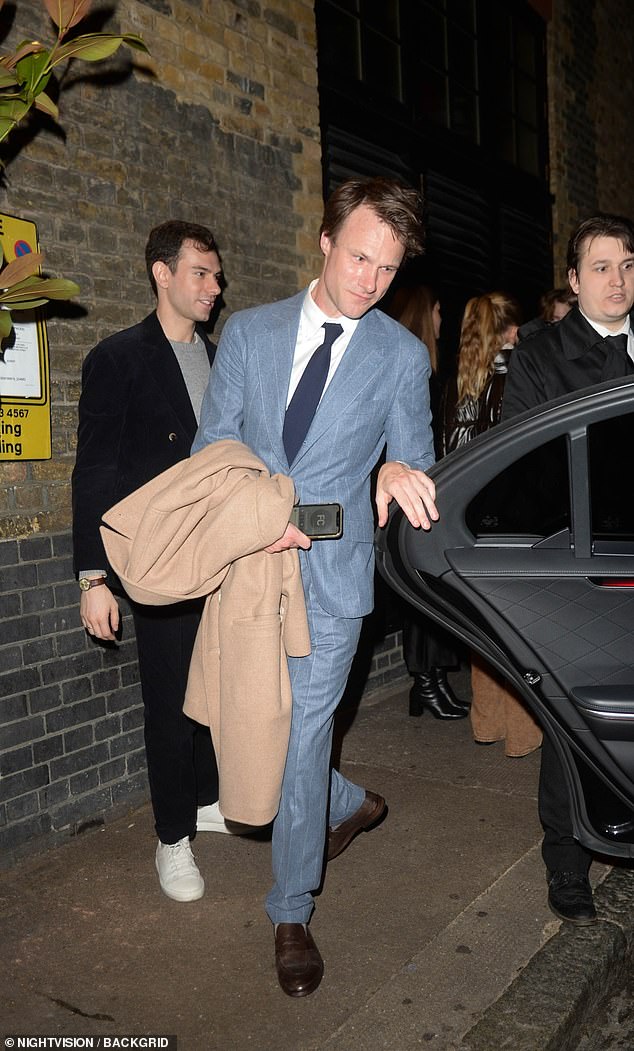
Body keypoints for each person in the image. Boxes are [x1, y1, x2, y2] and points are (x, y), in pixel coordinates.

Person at [193, 177, 438, 996]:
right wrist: (259, 508)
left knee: (300, 734)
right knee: (250, 725)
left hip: (332, 574)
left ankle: (291, 908)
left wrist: (397, 466)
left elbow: (417, 459)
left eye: (388, 269)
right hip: (252, 564)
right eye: (360, 256)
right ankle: (351, 799)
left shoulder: (402, 356)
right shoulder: (252, 334)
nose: (370, 281)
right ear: (327, 241)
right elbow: (212, 444)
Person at [72, 220, 234, 906]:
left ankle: (202, 798)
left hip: (223, 550)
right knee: (168, 699)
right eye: (201, 272)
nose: (214, 287)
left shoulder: (224, 355)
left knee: (214, 685)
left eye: (217, 275)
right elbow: (95, 471)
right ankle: (172, 837)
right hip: (159, 558)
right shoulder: (120, 358)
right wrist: (93, 577)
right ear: (161, 274)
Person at [502, 213, 634, 924]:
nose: (619, 280)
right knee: (572, 717)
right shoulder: (542, 355)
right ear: (576, 279)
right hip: (577, 567)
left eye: (629, 265)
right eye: (603, 267)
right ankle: (568, 862)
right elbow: (523, 464)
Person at [441, 291, 543, 758]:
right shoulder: (518, 371)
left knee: (483, 627)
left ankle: (487, 724)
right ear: (509, 330)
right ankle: (523, 735)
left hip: (464, 517)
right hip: (510, 518)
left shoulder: (458, 381)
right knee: (519, 627)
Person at [387, 284, 468, 719]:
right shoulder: (411, 361)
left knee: (430, 591)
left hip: (426, 484)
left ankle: (429, 682)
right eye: (438, 310)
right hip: (411, 487)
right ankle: (425, 682)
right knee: (423, 591)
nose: (442, 320)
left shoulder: (425, 363)